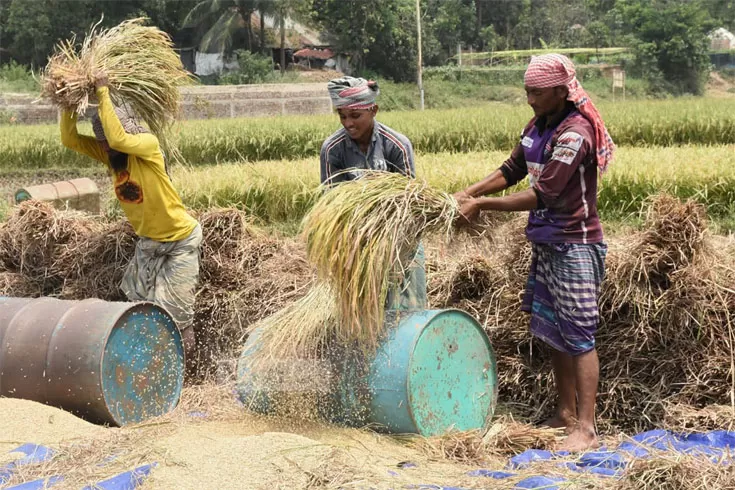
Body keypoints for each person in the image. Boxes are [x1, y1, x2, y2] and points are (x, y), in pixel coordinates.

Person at [453, 54, 615, 452]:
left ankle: (587, 428)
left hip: (575, 245)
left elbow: (545, 192)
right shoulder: (537, 126)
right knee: (556, 333)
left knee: (579, 336)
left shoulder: (575, 133)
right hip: (546, 244)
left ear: (561, 91)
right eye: (527, 91)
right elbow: (511, 170)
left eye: (537, 92)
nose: (529, 99)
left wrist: (482, 207)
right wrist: (468, 193)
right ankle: (564, 414)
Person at [59, 74, 201, 364]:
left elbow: (118, 137)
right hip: (149, 244)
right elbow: (69, 139)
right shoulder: (111, 155)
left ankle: (180, 372)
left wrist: (102, 91)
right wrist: (67, 102)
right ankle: (146, 365)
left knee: (173, 315)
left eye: (110, 143)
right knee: (137, 309)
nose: (108, 149)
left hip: (180, 242)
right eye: (105, 145)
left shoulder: (147, 147)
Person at [320, 76, 424, 310]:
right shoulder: (332, 150)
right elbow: (331, 207)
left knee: (407, 309)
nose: (348, 123)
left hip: (400, 242)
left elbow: (409, 203)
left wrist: (391, 245)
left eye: (355, 116)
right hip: (354, 244)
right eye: (342, 116)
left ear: (373, 110)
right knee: (361, 312)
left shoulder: (396, 145)